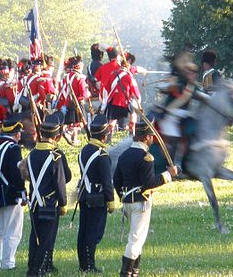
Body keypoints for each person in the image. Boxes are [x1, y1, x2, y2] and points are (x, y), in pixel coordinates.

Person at [113, 121, 177, 277]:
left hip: (128, 202)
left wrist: (124, 197)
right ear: (146, 137)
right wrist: (169, 175)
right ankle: (126, 273)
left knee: (138, 238)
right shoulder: (146, 157)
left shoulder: (124, 155)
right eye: (151, 137)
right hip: (141, 203)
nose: (152, 139)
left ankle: (135, 271)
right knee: (135, 240)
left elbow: (117, 180)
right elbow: (149, 183)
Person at [23, 113, 71, 277]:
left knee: (34, 235)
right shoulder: (55, 156)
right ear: (56, 136)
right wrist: (63, 203)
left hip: (35, 202)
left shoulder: (31, 155)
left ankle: (32, 267)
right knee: (46, 237)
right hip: (50, 202)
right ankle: (40, 268)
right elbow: (60, 183)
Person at [0, 113, 27, 270]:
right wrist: (22, 193)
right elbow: (17, 174)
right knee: (12, 231)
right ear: (16, 133)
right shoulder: (13, 149)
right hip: (10, 195)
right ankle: (8, 263)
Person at [76, 114, 114, 273]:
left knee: (83, 230)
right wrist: (110, 200)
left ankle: (83, 264)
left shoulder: (84, 150)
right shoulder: (102, 155)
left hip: (84, 195)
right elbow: (107, 181)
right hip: (97, 198)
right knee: (93, 232)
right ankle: (90, 265)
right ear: (104, 136)